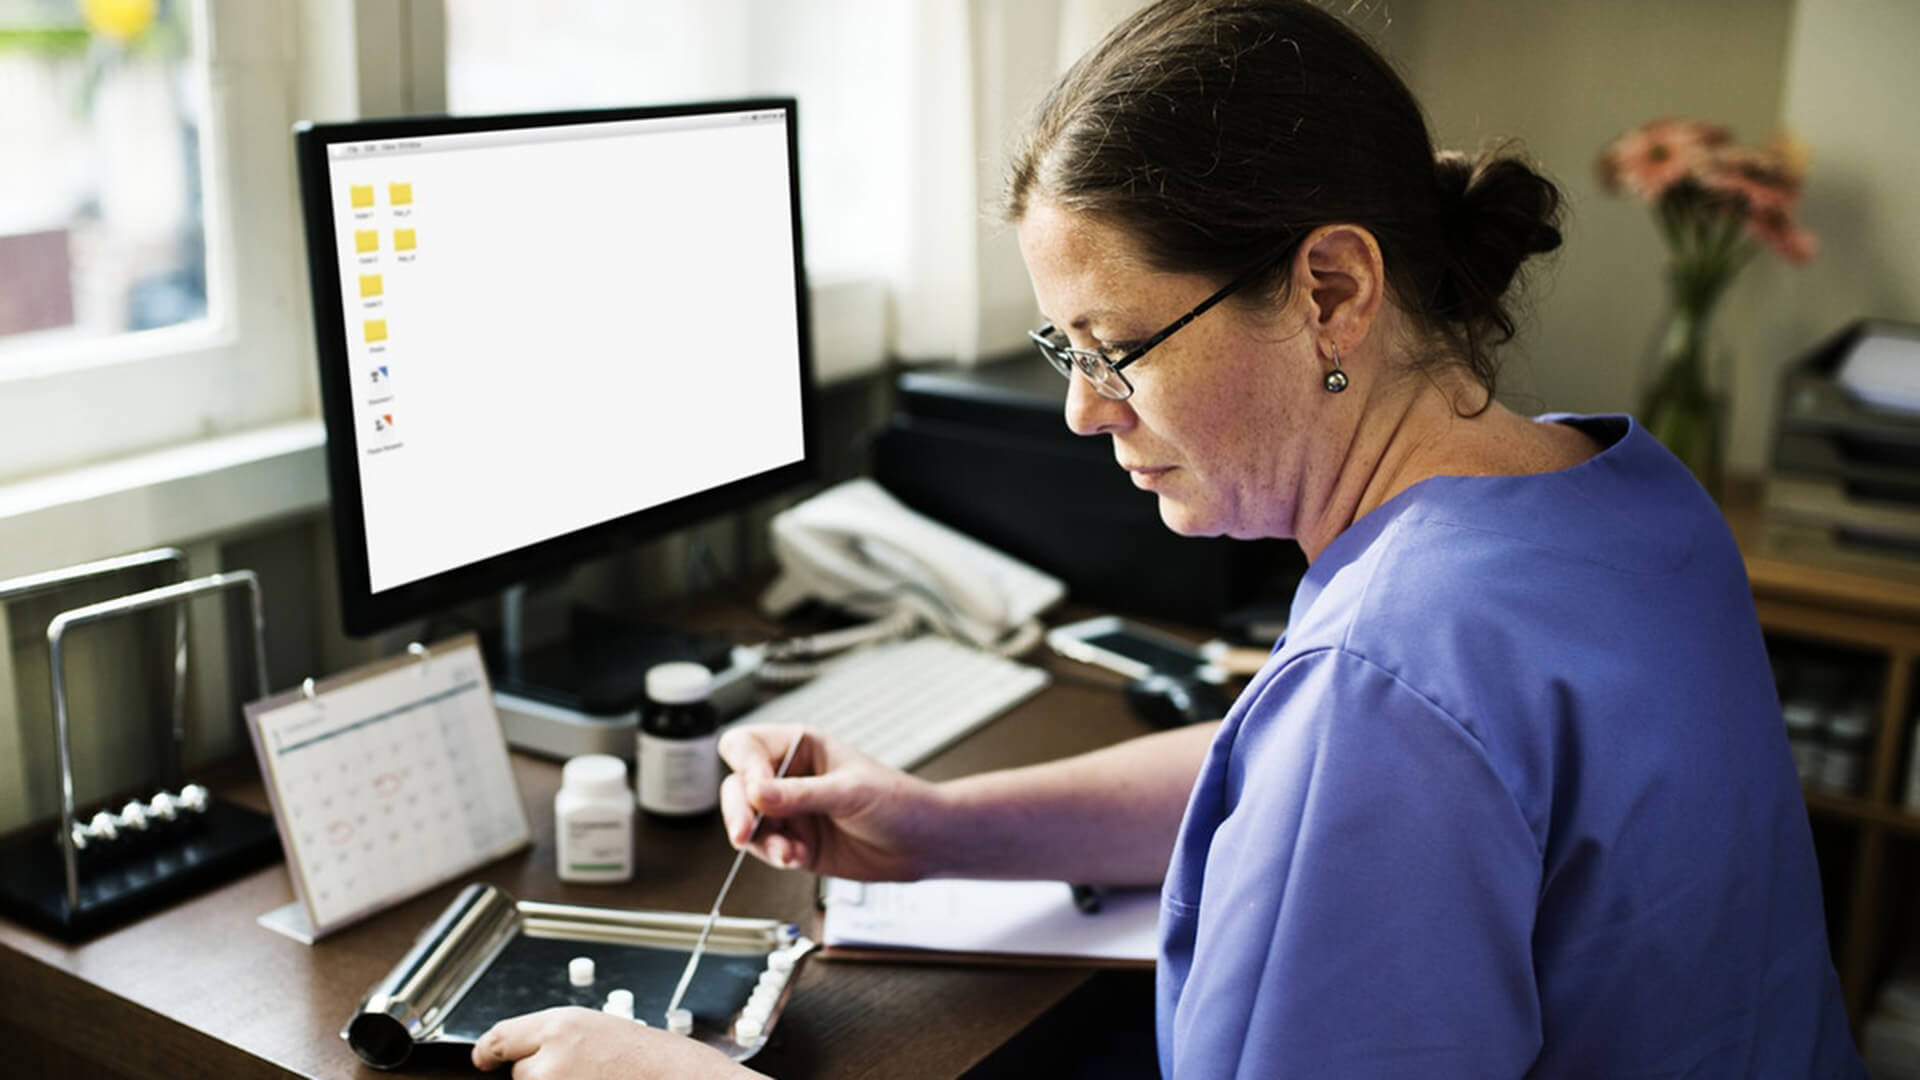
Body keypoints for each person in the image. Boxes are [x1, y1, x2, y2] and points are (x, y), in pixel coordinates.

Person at [474, 0, 1866, 1076]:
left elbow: (1364, 743)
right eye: (1059, 348)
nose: (1083, 411)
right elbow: (1297, 763)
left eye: (1116, 347)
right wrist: (939, 827)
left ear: (1331, 289)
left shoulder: (1388, 688)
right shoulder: (1617, 490)